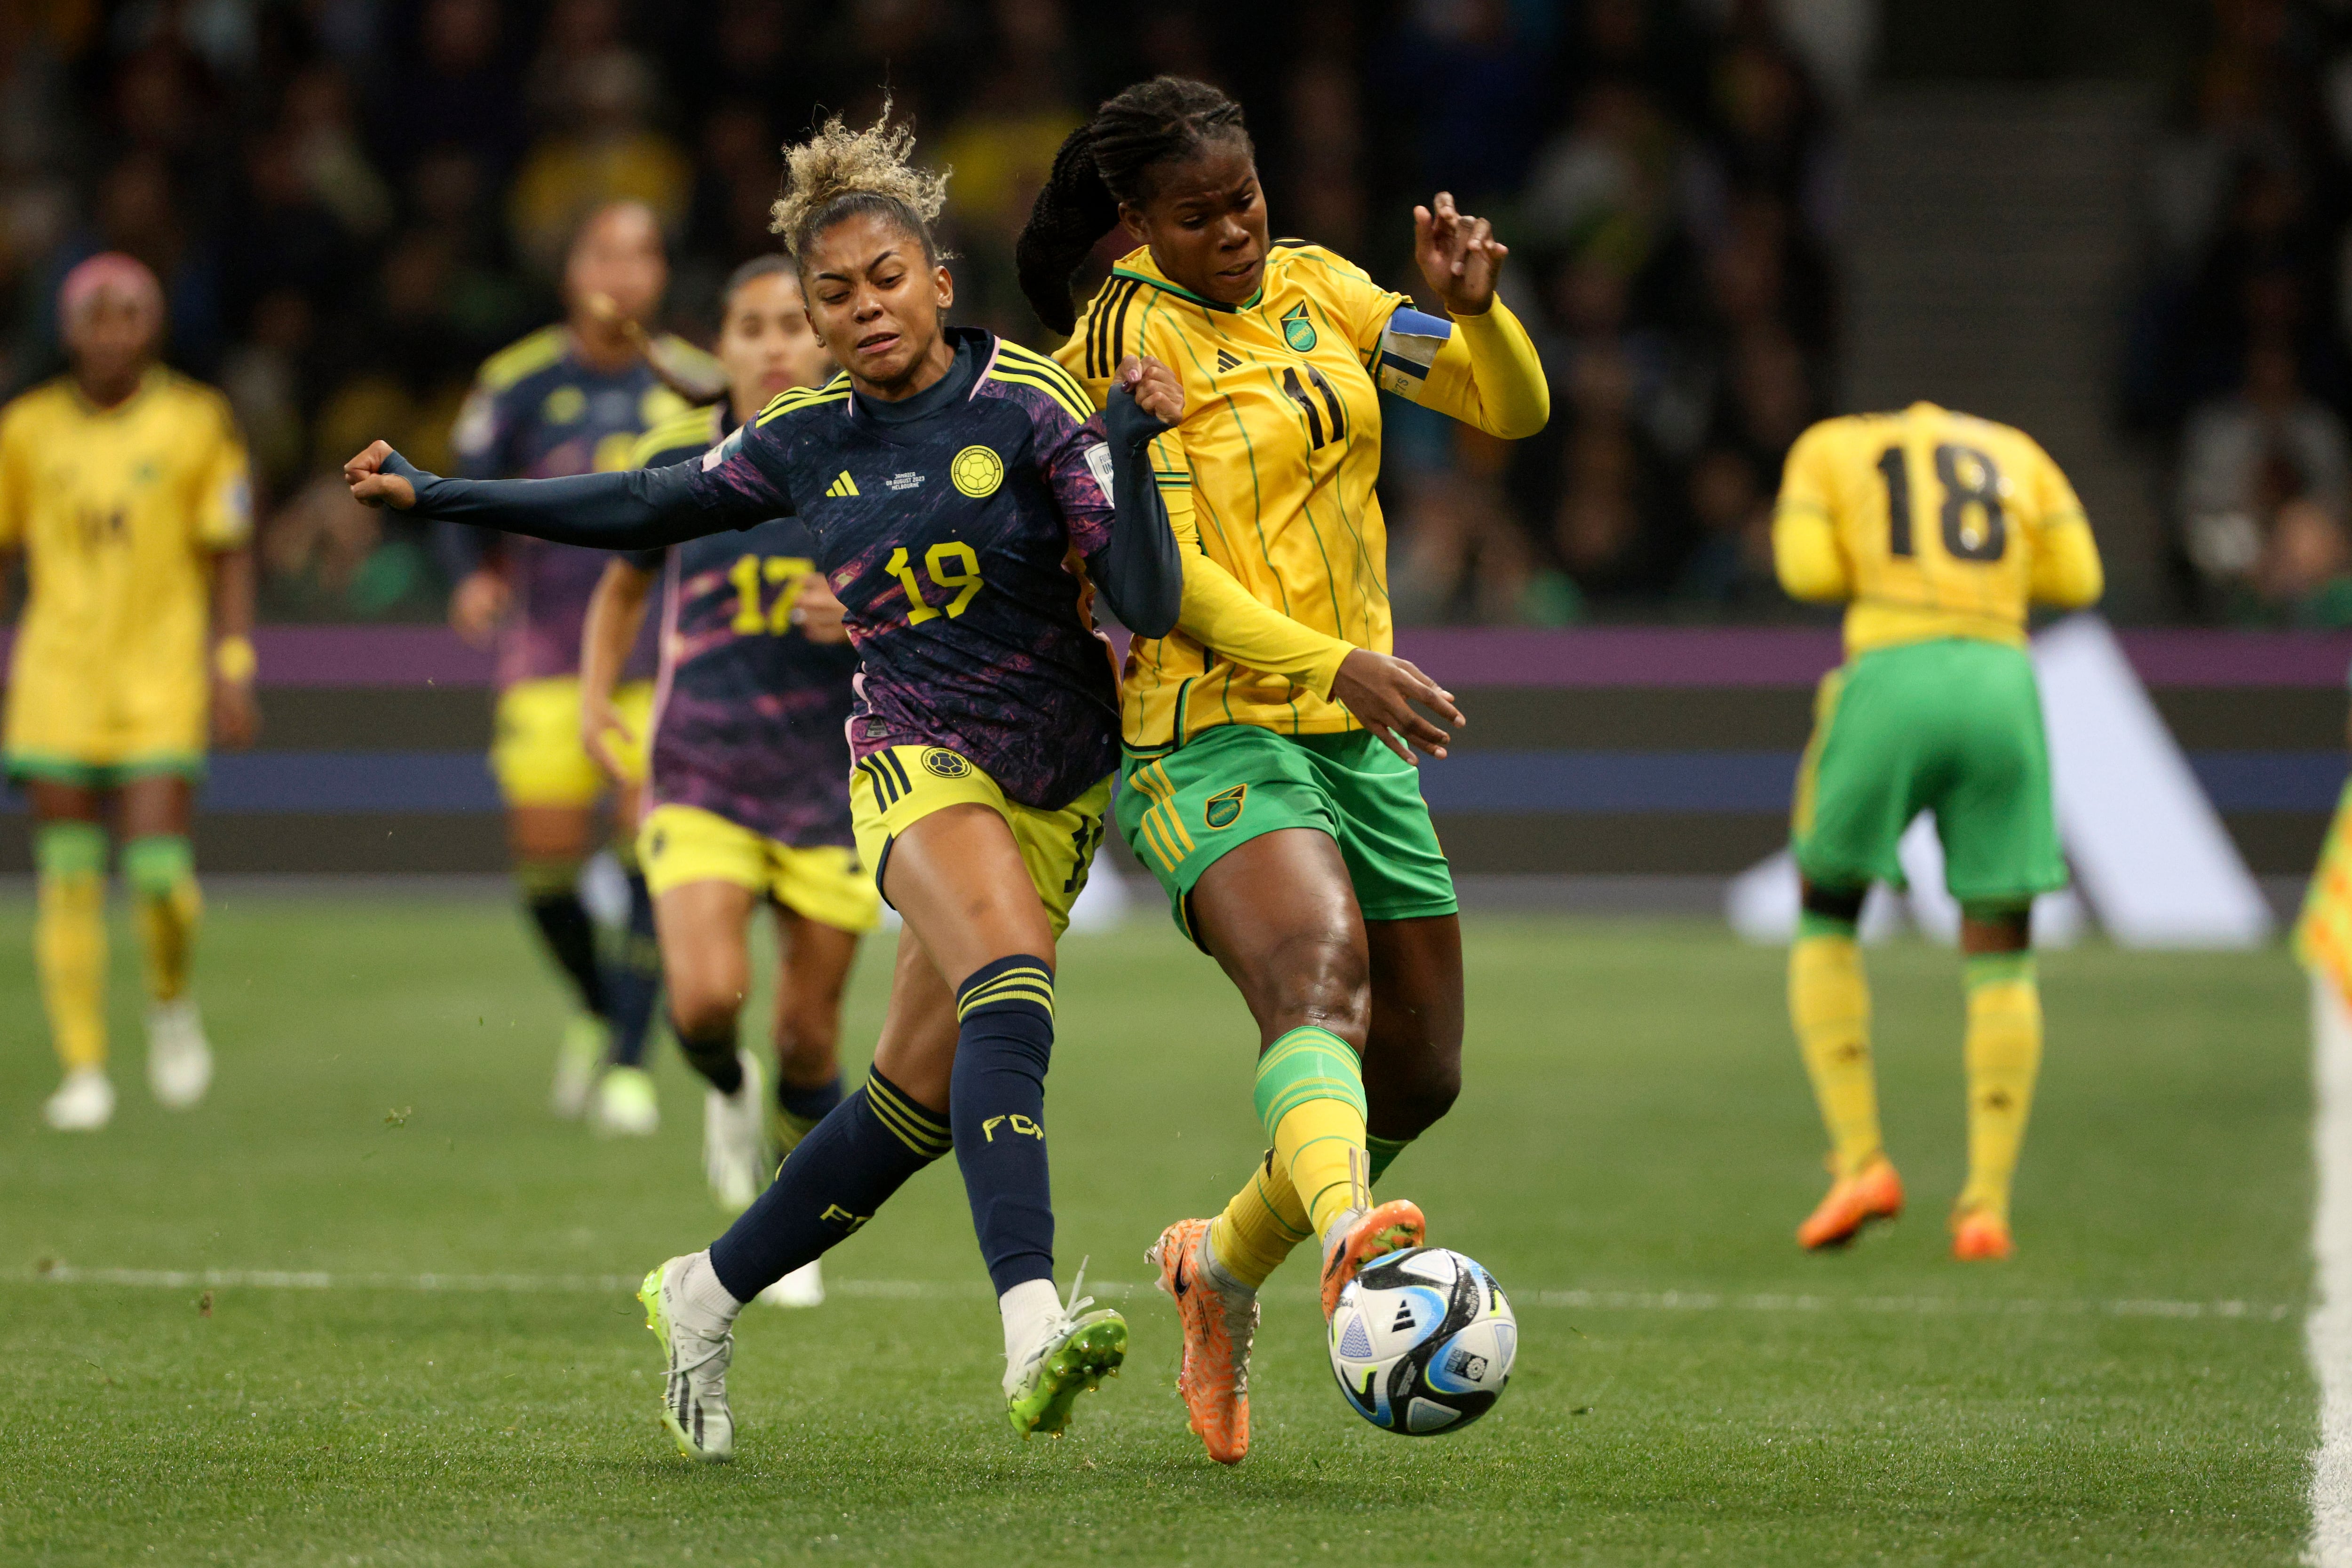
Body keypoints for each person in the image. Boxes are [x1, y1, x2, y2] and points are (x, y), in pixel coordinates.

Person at [345, 107, 1189, 1456]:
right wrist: (443, 493)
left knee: (912, 1108)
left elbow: (1146, 595)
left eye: (886, 280)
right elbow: (637, 502)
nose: (863, 310)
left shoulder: (1033, 407)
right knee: (1013, 984)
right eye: (833, 294)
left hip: (1060, 787)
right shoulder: (800, 438)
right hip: (915, 758)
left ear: (941, 282)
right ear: (809, 313)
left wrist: (1135, 452)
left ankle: (702, 1286)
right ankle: (1033, 1316)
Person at [1016, 75, 1550, 1464]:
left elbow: (1513, 411)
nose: (1237, 233)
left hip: (1352, 729)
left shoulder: (1326, 289)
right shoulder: (1123, 344)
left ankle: (1220, 1266)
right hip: (1207, 724)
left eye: (1246, 200)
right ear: (1134, 224)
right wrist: (1331, 660)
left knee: (1418, 1075)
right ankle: (1351, 1241)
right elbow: (1167, 581)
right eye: (1199, 218)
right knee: (1316, 973)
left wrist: (1479, 311)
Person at [578, 254, 866, 1308]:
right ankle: (725, 1088)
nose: (775, 343)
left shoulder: (873, 464)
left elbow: (950, 597)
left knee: (807, 1035)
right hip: (698, 770)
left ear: (828, 342)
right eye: (751, 325)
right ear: (724, 347)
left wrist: (866, 609)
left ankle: (788, 1222)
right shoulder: (679, 465)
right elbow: (620, 583)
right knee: (702, 1004)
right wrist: (595, 695)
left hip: (835, 781)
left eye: (796, 322)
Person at [1770, 402, 2104, 1261]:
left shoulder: (1830, 445)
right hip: (2001, 679)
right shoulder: (2020, 448)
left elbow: (1805, 570)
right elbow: (2080, 579)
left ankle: (1862, 1161)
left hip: (1891, 672)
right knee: (2002, 948)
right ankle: (1986, 1205)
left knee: (1827, 912)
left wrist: (1884, 560)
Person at [441, 199, 718, 1135]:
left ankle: (630, 1064)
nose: (625, 271)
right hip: (548, 653)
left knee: (648, 841)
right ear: (571, 269)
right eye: (605, 250)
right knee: (548, 866)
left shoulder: (696, 383)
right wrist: (474, 576)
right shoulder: (516, 383)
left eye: (643, 253)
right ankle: (605, 1009)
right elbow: (464, 496)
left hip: (662, 655)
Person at [0, 253, 259, 1130]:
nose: (111, 334)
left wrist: (234, 667)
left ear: (153, 326)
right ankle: (83, 1068)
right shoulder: (26, 430)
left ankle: (169, 1001)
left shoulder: (195, 420)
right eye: (94, 318)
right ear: (67, 329)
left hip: (158, 674)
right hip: (56, 679)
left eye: (129, 316)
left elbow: (228, 548)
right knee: (68, 876)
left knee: (156, 874)